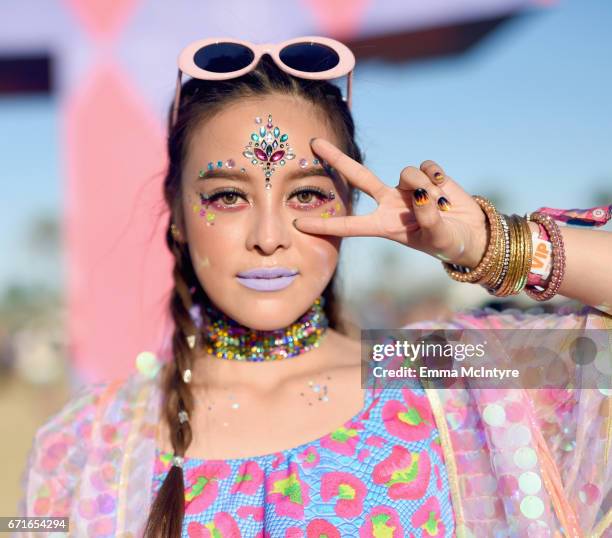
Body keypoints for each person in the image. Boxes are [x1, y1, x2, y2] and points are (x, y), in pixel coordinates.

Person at [18, 37, 611, 538]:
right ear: (175, 210)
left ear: (350, 203)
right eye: (228, 196)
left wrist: (488, 244)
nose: (270, 236)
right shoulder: (88, 439)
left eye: (307, 194)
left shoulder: (433, 369)